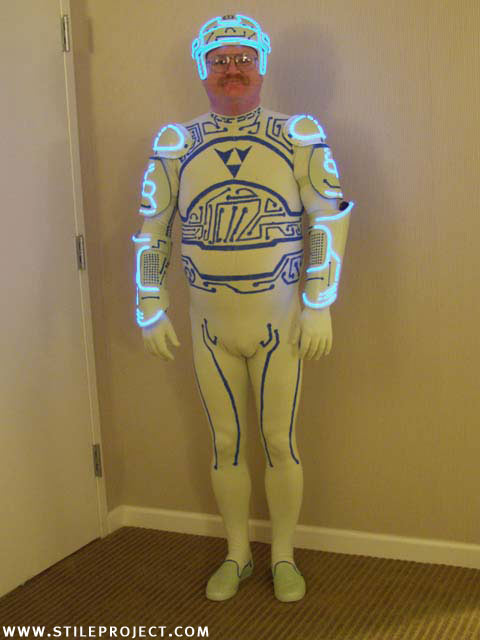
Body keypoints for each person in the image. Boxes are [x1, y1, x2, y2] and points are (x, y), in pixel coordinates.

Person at [132, 14, 354, 602]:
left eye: (244, 58)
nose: (233, 69)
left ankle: (282, 554)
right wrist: (150, 301)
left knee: (280, 441)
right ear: (202, 67)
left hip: (280, 320)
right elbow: (153, 229)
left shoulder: (298, 134)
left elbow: (327, 217)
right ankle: (237, 552)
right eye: (220, 59)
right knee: (225, 442)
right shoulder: (176, 144)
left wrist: (318, 301)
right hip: (209, 323)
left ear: (262, 64)